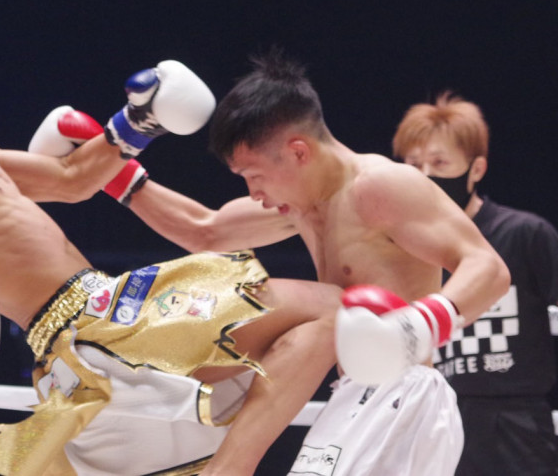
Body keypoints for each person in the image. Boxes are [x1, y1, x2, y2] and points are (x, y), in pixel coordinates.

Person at [0, 0, 341, 476]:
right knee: (333, 308)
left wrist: (139, 119)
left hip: (93, 333)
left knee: (327, 318)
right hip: (96, 326)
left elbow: (71, 179)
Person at [105, 50, 510, 475]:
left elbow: (488, 268)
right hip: (353, 396)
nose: (253, 192)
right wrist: (106, 168)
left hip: (402, 398)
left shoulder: (381, 186)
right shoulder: (301, 204)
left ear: (298, 151)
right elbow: (204, 229)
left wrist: (416, 326)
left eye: (254, 175)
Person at [392, 92, 558, 475]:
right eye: (413, 165)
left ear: (476, 169)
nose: (425, 177)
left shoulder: (524, 234)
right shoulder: (401, 247)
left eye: (439, 163)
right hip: (433, 417)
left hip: (516, 424)